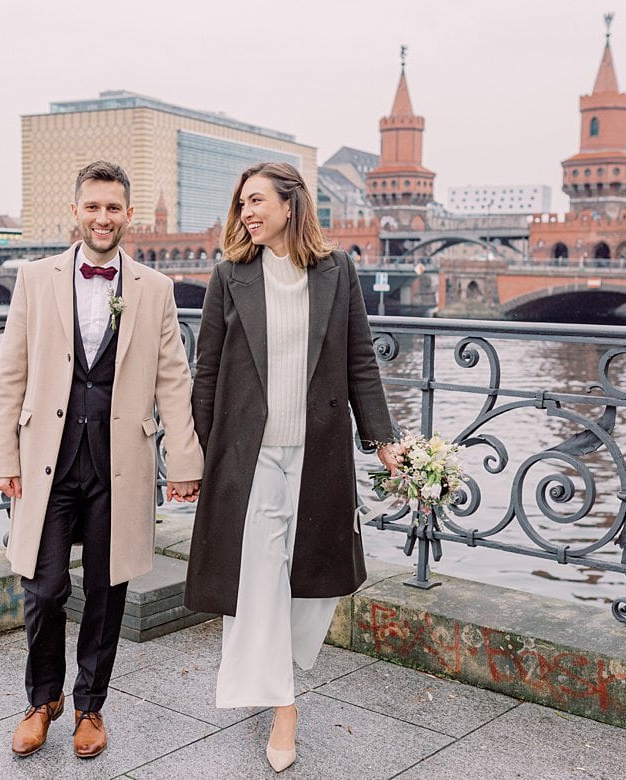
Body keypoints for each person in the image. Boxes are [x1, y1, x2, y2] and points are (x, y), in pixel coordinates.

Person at [184, 162, 397, 772]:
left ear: (289, 204)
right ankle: (284, 709)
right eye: (241, 203)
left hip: (318, 450)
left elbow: (360, 361)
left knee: (310, 585)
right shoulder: (230, 275)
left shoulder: (337, 272)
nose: (247, 212)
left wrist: (382, 440)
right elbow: (209, 368)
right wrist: (199, 452)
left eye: (256, 201)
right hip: (248, 457)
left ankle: (274, 674)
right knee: (258, 580)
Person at [0, 160, 203, 760]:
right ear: (76, 211)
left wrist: (185, 462)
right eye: (93, 207)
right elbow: (12, 375)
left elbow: (173, 380)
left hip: (121, 464)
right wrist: (3, 453)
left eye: (113, 208)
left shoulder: (155, 290)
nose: (102, 218)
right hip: (46, 461)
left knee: (108, 592)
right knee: (45, 587)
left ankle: (90, 708)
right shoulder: (34, 278)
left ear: (128, 215)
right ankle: (42, 699)